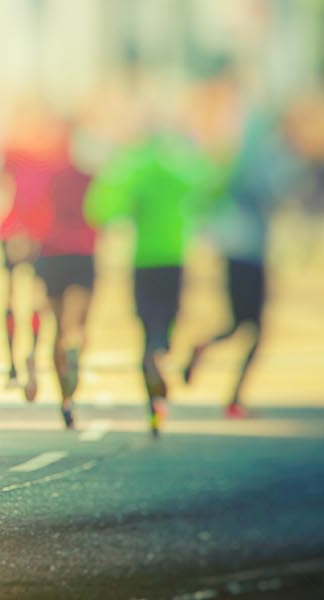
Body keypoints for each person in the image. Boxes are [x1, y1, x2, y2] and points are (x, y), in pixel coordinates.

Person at [85, 127, 219, 438]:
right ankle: (162, 354)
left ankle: (153, 406)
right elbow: (205, 194)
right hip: (173, 258)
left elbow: (104, 211)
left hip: (143, 260)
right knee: (166, 326)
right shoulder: (176, 170)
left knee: (146, 331)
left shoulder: (136, 172)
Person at [184, 107, 298, 419]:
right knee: (254, 330)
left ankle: (206, 351)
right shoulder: (258, 159)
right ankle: (234, 397)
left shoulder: (235, 160)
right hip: (250, 254)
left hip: (235, 252)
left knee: (239, 326)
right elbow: (271, 191)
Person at [29, 127, 98, 429]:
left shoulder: (47, 178)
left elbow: (35, 213)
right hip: (82, 253)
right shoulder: (89, 178)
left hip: (51, 253)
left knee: (55, 326)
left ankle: (65, 401)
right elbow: (103, 214)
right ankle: (75, 344)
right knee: (77, 323)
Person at [0, 105, 60, 400]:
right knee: (34, 300)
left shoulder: (12, 151)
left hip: (14, 228)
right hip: (38, 232)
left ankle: (13, 366)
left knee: (12, 298)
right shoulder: (52, 153)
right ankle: (28, 356)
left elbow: (2, 188)